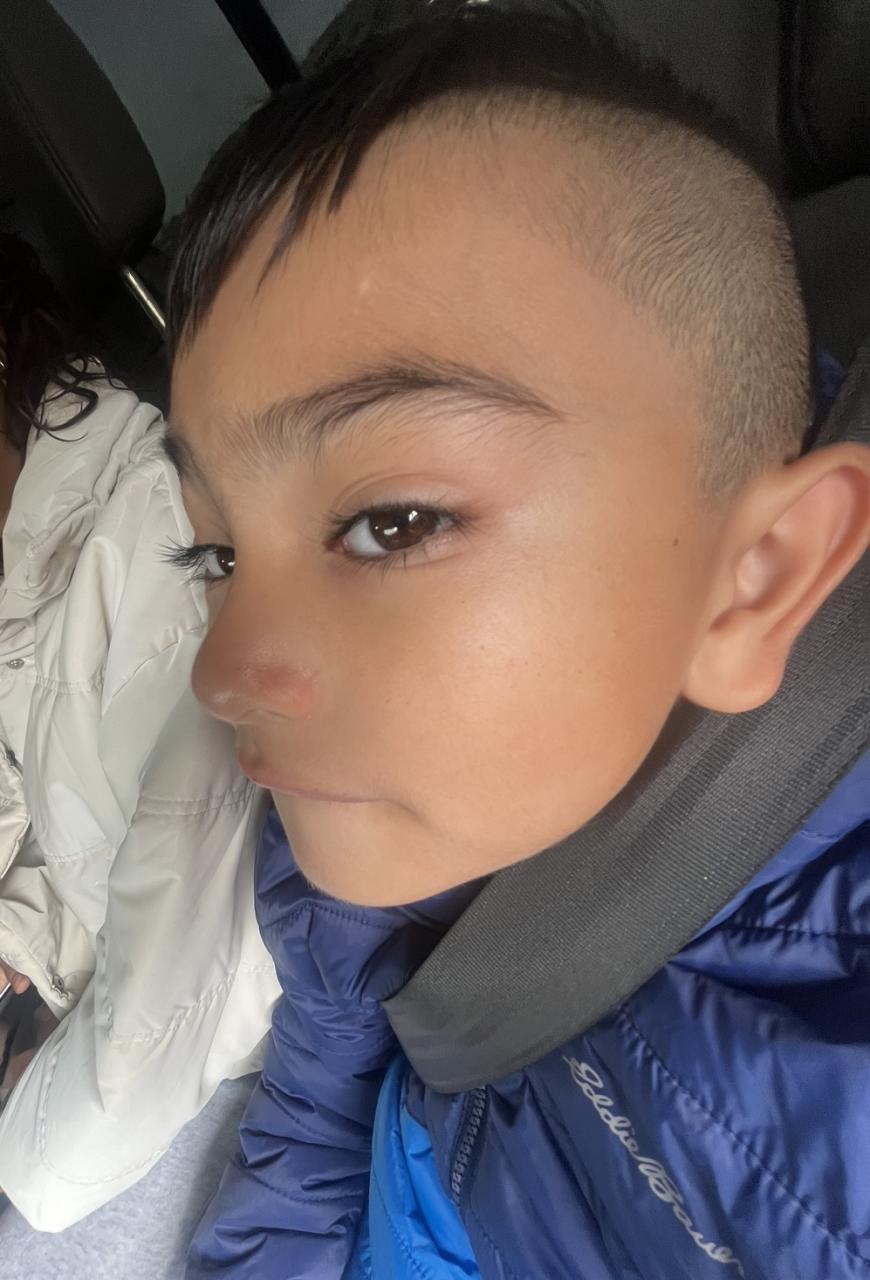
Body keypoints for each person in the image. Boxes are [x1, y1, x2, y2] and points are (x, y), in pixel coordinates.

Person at [165, 2, 870, 1276]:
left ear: (756, 577)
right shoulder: (376, 809)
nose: (222, 671)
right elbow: (317, 1096)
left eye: (391, 522)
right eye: (216, 554)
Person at [0, 232, 279, 1247]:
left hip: (231, 1042)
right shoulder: (29, 549)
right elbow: (71, 801)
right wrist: (23, 938)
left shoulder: (159, 519)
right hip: (107, 1009)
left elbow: (203, 935)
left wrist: (24, 1149)